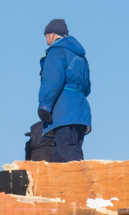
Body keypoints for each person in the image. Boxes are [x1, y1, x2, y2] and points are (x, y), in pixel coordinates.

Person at [37, 19, 91, 162]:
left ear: (53, 34)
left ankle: (83, 181)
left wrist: (44, 105)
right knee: (59, 158)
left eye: (46, 36)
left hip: (65, 112)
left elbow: (52, 80)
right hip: (80, 111)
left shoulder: (56, 51)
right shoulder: (80, 56)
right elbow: (87, 87)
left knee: (68, 150)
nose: (46, 40)